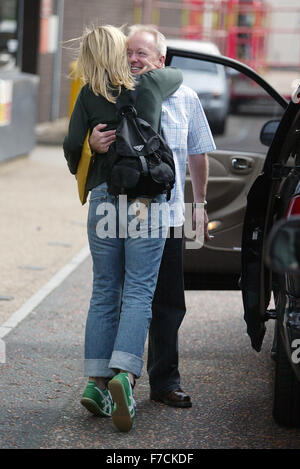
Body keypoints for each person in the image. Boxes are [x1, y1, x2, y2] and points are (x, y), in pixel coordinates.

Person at [88, 24, 216, 409]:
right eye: (129, 52)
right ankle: (111, 380)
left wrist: (200, 203)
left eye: (142, 53)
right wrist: (90, 144)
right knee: (118, 294)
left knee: (166, 302)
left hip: (169, 212)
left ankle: (164, 382)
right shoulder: (114, 95)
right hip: (122, 209)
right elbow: (84, 143)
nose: (133, 59)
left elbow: (198, 154)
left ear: (162, 60)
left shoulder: (187, 97)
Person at [63, 24, 183, 432]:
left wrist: (91, 150)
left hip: (102, 200)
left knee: (103, 289)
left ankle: (96, 382)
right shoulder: (142, 86)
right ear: (120, 52)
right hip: (142, 205)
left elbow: (69, 148)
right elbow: (176, 75)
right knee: (138, 292)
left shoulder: (87, 94)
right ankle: (124, 377)